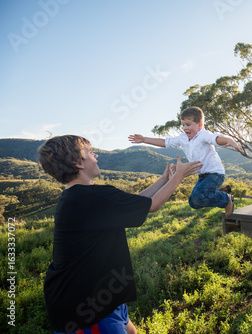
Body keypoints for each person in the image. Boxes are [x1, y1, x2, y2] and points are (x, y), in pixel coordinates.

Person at [38, 135, 202, 334]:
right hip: (85, 309)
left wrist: (163, 179)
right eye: (89, 152)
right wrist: (179, 176)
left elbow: (136, 201)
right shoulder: (91, 197)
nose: (95, 155)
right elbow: (153, 205)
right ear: (77, 163)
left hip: (100, 297)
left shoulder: (79, 195)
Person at [128, 106, 242, 217]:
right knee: (193, 202)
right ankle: (219, 192)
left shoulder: (203, 135)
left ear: (200, 125)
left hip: (215, 173)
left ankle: (226, 199)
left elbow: (215, 138)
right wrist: (144, 139)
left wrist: (228, 140)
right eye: (183, 125)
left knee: (199, 197)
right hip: (202, 176)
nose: (185, 128)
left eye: (188, 124)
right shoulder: (182, 138)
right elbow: (165, 142)